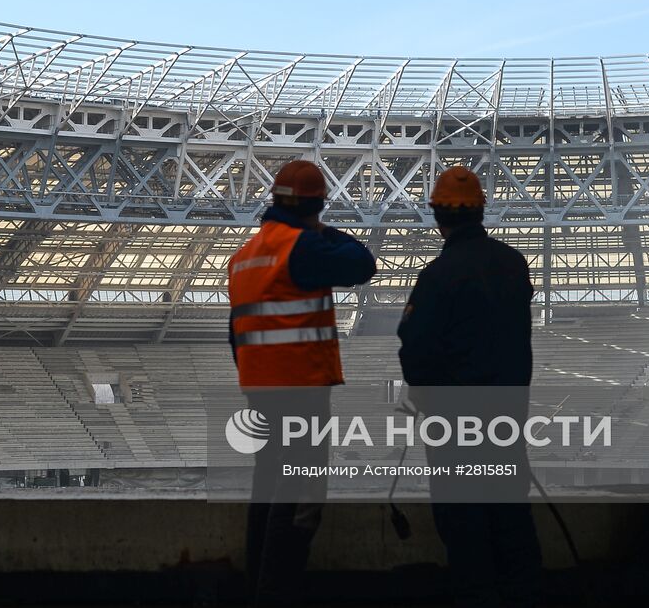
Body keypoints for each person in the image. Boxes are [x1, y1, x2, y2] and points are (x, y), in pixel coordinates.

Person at [227, 159, 377, 606]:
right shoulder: (302, 248)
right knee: (301, 496)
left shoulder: (245, 256)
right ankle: (277, 593)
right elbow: (362, 264)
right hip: (300, 389)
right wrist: (321, 231)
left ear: (274, 200)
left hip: (259, 389)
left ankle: (258, 585)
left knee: (268, 486)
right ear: (316, 205)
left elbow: (235, 332)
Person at [397, 165, 542, 608]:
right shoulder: (513, 264)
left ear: (438, 215)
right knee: (511, 517)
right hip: (506, 416)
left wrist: (425, 402)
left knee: (464, 523)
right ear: (481, 211)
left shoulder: (437, 277)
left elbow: (415, 350)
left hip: (454, 423)